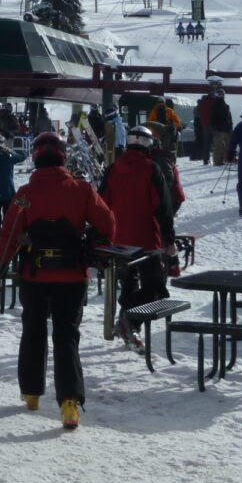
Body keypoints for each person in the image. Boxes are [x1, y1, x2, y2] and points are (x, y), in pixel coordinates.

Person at [0, 131, 115, 430]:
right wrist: (92, 243)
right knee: (66, 336)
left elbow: (8, 236)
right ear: (62, 156)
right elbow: (108, 223)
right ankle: (69, 403)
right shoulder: (81, 190)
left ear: (35, 157)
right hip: (71, 275)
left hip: (34, 275)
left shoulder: (24, 195)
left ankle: (31, 393)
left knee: (33, 331)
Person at [100, 124, 173, 346]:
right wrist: (169, 239)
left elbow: (102, 203)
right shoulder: (150, 169)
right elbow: (163, 206)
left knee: (129, 283)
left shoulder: (113, 169)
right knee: (156, 289)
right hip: (146, 238)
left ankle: (128, 326)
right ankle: (129, 321)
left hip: (118, 240)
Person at [208, 83, 234, 165]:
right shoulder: (214, 106)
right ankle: (217, 161)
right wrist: (214, 128)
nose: (221, 96)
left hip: (227, 129)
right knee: (218, 147)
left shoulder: (226, 106)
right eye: (219, 94)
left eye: (222, 94)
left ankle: (226, 159)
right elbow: (212, 119)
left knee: (228, 146)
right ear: (216, 95)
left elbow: (229, 118)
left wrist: (231, 127)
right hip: (218, 129)